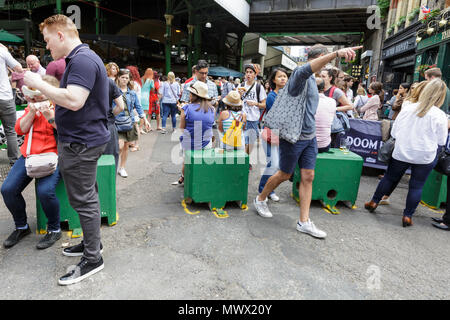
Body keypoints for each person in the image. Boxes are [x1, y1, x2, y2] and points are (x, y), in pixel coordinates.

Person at [24, 14, 111, 285]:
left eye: (48, 40)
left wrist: (38, 83)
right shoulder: (82, 59)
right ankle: (91, 244)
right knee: (87, 198)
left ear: (61, 35)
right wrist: (46, 97)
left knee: (83, 200)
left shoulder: (82, 60)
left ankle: (93, 258)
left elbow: (74, 99)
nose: (47, 47)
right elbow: (74, 98)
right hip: (83, 139)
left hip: (81, 142)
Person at [254, 44, 362, 239]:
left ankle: (304, 221)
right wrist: (336, 53)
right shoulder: (300, 74)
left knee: (308, 176)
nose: (328, 67)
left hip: (309, 136)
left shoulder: (314, 79)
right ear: (321, 57)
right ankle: (261, 198)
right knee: (285, 174)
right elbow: (306, 68)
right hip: (294, 136)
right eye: (326, 60)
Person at [364, 79, 448, 227]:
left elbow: (395, 131)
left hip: (403, 150)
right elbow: (441, 140)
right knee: (417, 186)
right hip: (425, 154)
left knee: (389, 177)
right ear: (441, 96)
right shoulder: (440, 115)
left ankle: (374, 201)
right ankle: (407, 216)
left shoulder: (408, 108)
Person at [2, 75, 62, 250]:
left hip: (53, 156)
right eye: (35, 93)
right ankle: (21, 227)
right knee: (7, 189)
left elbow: (66, 131)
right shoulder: (31, 107)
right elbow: (19, 129)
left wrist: (49, 115)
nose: (36, 97)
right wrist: (32, 112)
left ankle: (54, 229)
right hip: (29, 156)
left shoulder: (60, 107)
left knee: (45, 191)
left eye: (40, 93)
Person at [172, 81, 215, 186]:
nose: (189, 95)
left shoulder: (186, 108)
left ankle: (183, 178)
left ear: (195, 95)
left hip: (190, 144)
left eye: (191, 93)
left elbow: (182, 128)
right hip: (206, 143)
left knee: (186, 163)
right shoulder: (212, 109)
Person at [257, 68, 288, 202]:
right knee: (273, 164)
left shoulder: (287, 95)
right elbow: (279, 115)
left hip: (282, 135)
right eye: (279, 76)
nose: (283, 78)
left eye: (285, 76)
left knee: (277, 165)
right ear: (274, 80)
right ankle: (263, 189)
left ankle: (269, 190)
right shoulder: (272, 96)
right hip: (271, 133)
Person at [114, 68, 147, 178]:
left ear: (129, 80)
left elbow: (138, 107)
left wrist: (145, 119)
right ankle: (114, 167)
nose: (124, 80)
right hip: (116, 122)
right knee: (119, 146)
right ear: (118, 77)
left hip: (129, 122)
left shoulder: (132, 93)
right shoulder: (113, 91)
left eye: (126, 78)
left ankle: (122, 168)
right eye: (122, 77)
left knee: (126, 146)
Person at [240, 63, 267, 166]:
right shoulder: (241, 86)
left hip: (253, 118)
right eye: (246, 72)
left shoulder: (259, 87)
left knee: (250, 141)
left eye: (251, 72)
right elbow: (235, 101)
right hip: (241, 117)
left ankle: (246, 159)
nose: (248, 74)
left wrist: (255, 103)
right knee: (242, 139)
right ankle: (243, 159)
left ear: (255, 74)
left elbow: (264, 105)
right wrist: (238, 96)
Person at [0, 43, 22, 165]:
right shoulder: (2, 52)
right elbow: (18, 68)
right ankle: (14, 160)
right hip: (5, 97)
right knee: (10, 131)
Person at [103, 71, 125, 170]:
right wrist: (110, 115)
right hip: (107, 125)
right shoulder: (108, 82)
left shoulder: (78, 82)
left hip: (85, 128)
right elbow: (121, 106)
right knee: (109, 162)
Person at [315, 77, 337, 153]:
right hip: (324, 145)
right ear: (324, 88)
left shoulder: (306, 100)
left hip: (308, 145)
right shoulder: (332, 102)